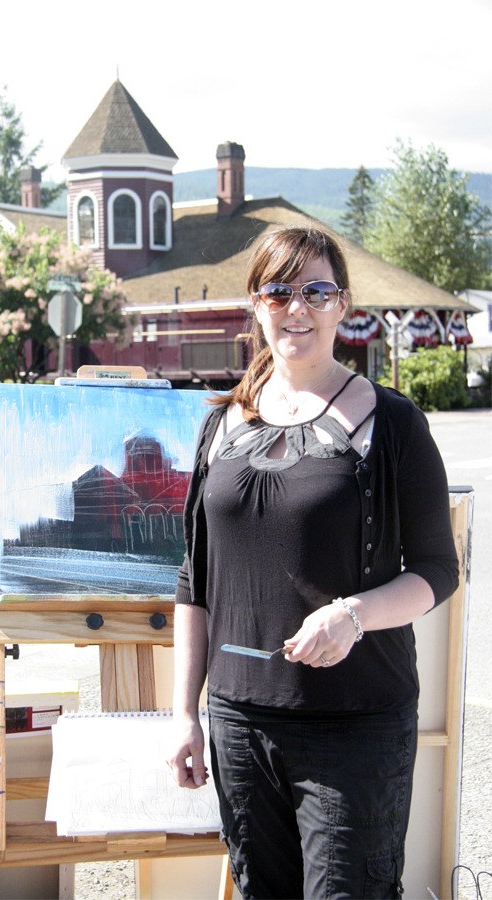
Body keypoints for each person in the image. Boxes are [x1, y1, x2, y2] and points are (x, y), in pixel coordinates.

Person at [167, 226, 459, 899]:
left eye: (317, 292)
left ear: (342, 305)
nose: (296, 308)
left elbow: (438, 570)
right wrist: (185, 713)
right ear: (256, 305)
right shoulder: (219, 427)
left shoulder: (392, 424)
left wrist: (354, 615)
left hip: (355, 725)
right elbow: (193, 580)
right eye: (278, 292)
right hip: (240, 723)